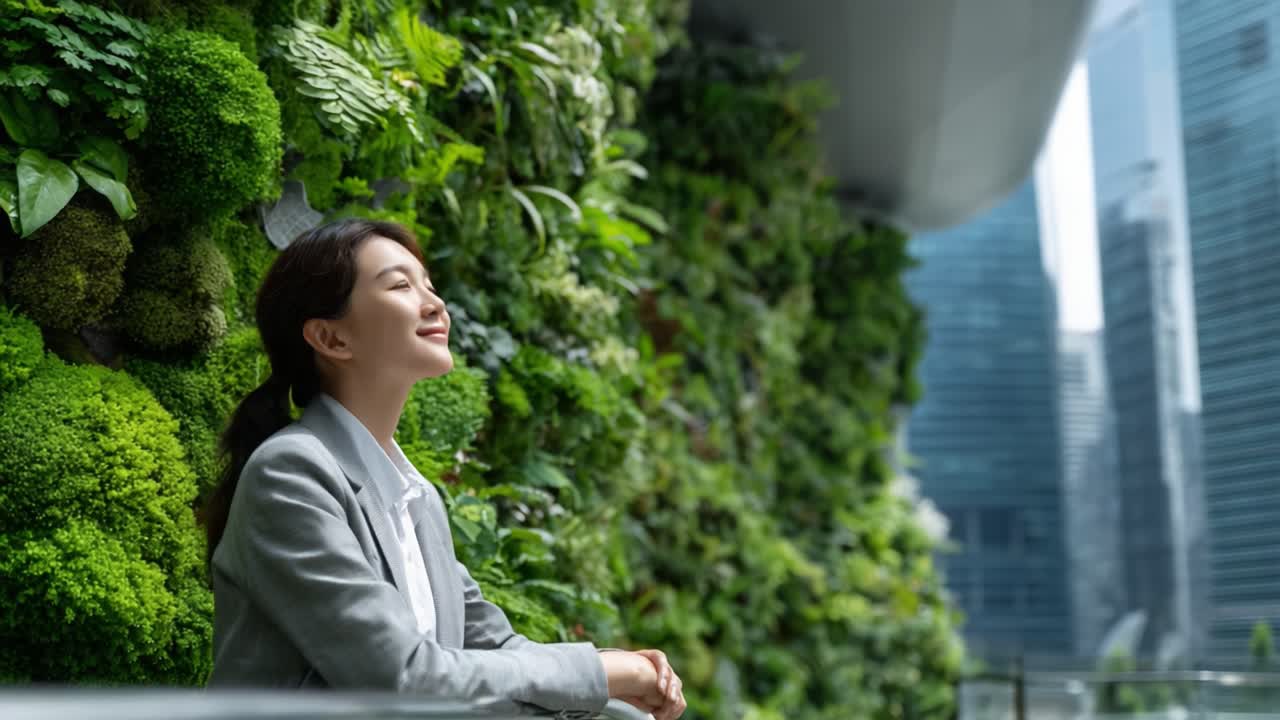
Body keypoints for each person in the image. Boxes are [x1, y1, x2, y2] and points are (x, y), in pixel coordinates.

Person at [202, 219, 685, 719]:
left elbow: (493, 651)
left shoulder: (418, 499)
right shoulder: (291, 474)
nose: (435, 304)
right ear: (331, 337)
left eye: (429, 285)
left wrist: (608, 674)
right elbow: (404, 677)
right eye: (400, 285)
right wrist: (604, 674)